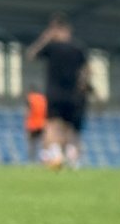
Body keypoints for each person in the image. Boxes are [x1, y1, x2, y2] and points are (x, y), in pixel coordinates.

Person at [25, 13, 89, 169]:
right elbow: (87, 71)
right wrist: (82, 87)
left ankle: (56, 155)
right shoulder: (78, 49)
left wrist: (45, 38)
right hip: (73, 95)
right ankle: (72, 158)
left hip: (54, 93)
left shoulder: (52, 47)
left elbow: (30, 55)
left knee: (52, 125)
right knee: (69, 128)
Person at [24, 83, 47, 164]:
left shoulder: (30, 98)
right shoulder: (42, 98)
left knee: (32, 144)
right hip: (42, 124)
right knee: (42, 144)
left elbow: (27, 111)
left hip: (32, 124)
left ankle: (32, 161)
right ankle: (43, 161)